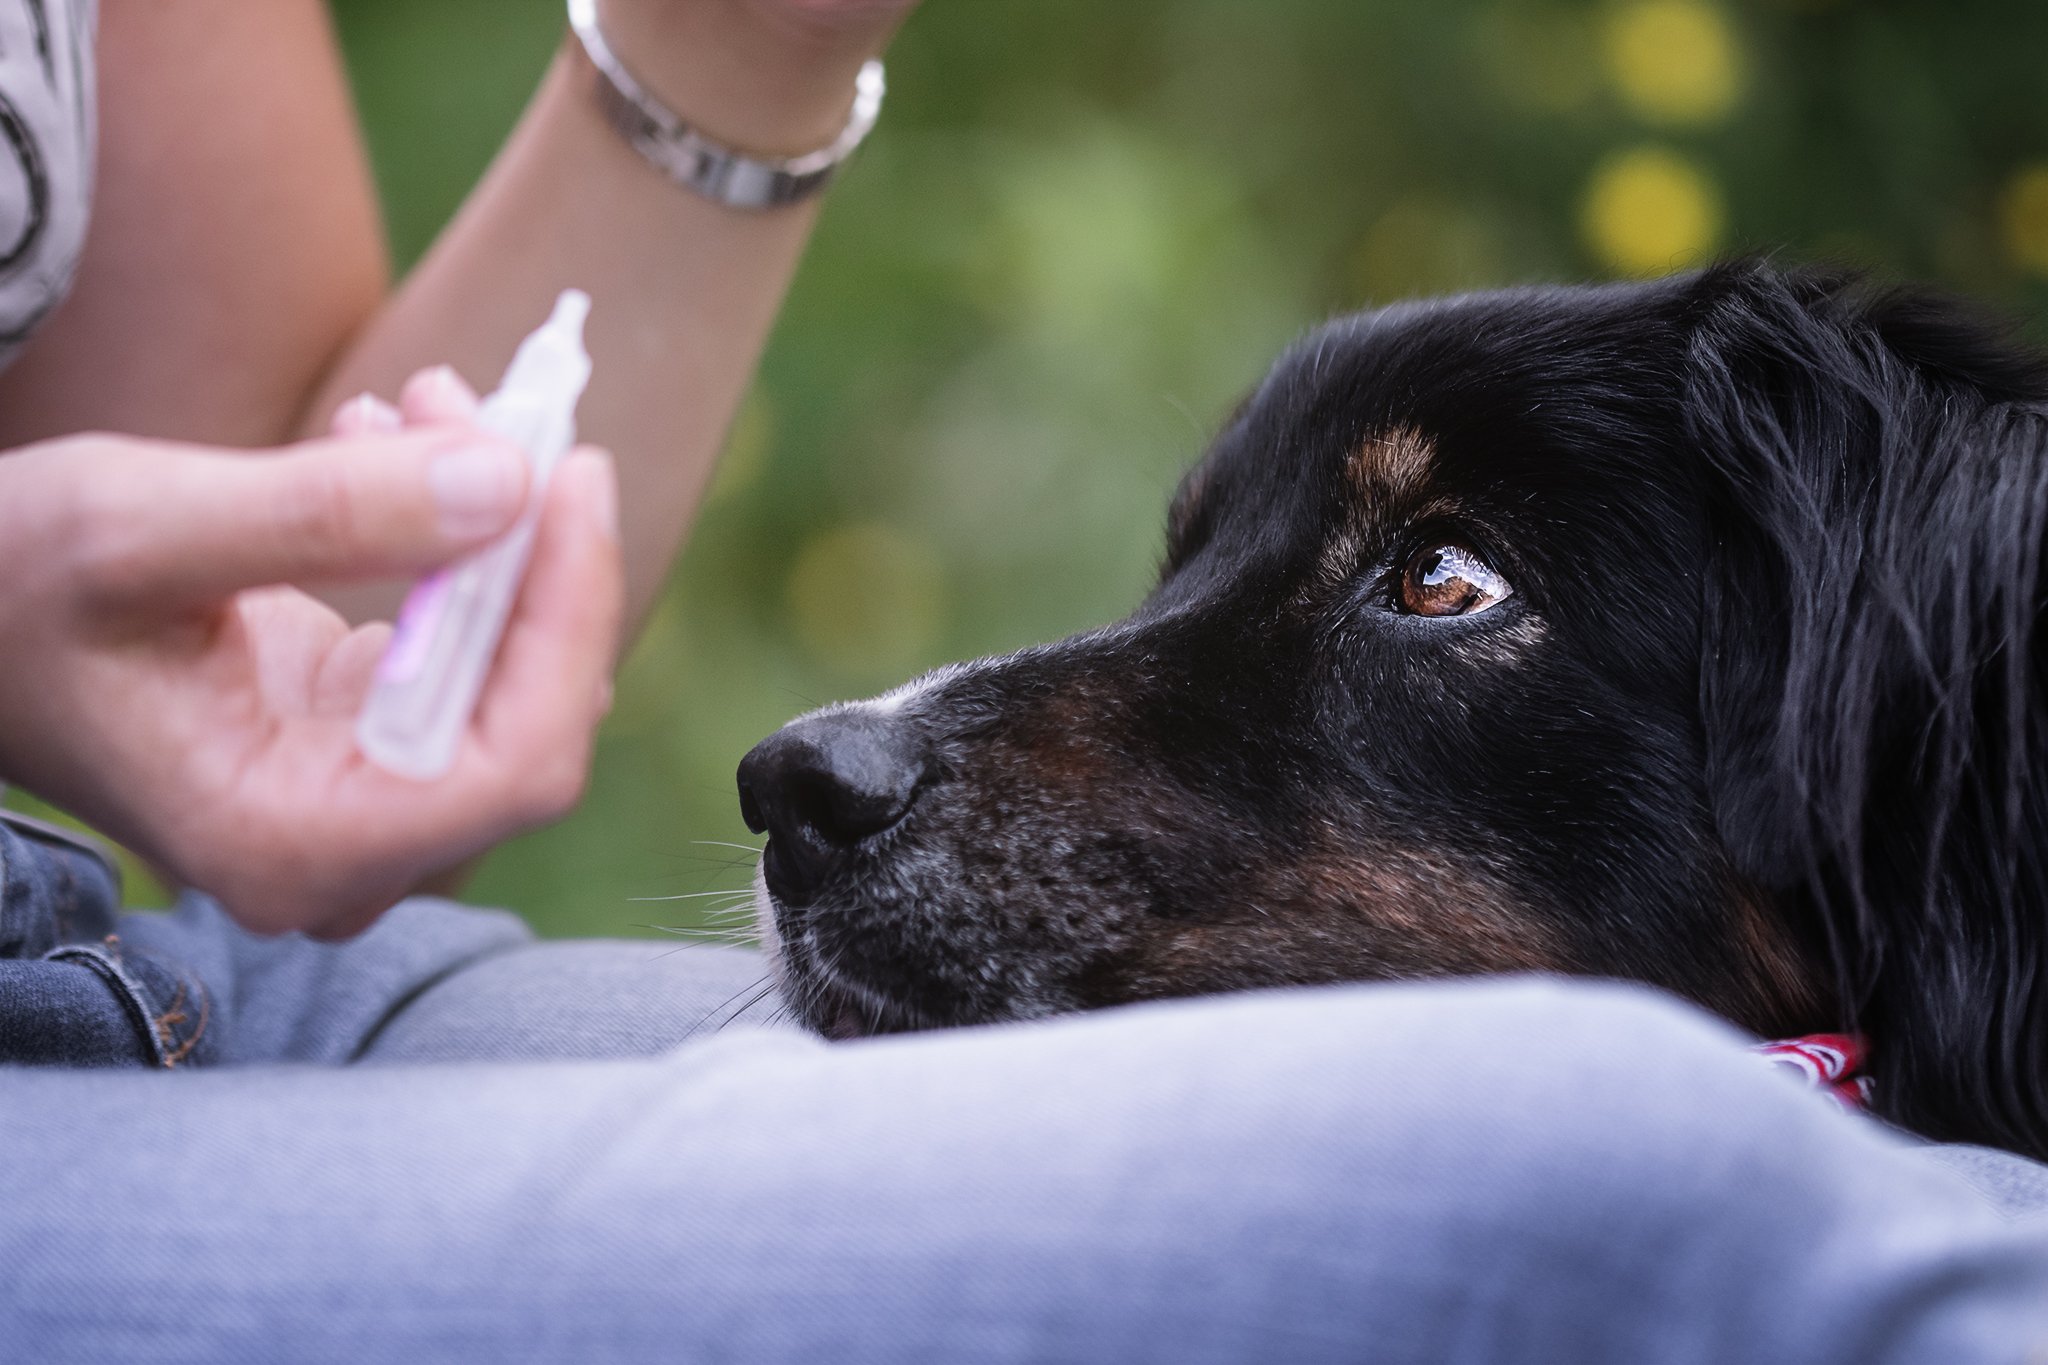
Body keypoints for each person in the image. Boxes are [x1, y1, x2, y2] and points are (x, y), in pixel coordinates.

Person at [0, 3, 2045, 1361]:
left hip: (153, 974)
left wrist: (736, 41)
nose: (856, 756)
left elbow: (272, 587)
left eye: (1429, 574)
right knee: (1640, 1194)